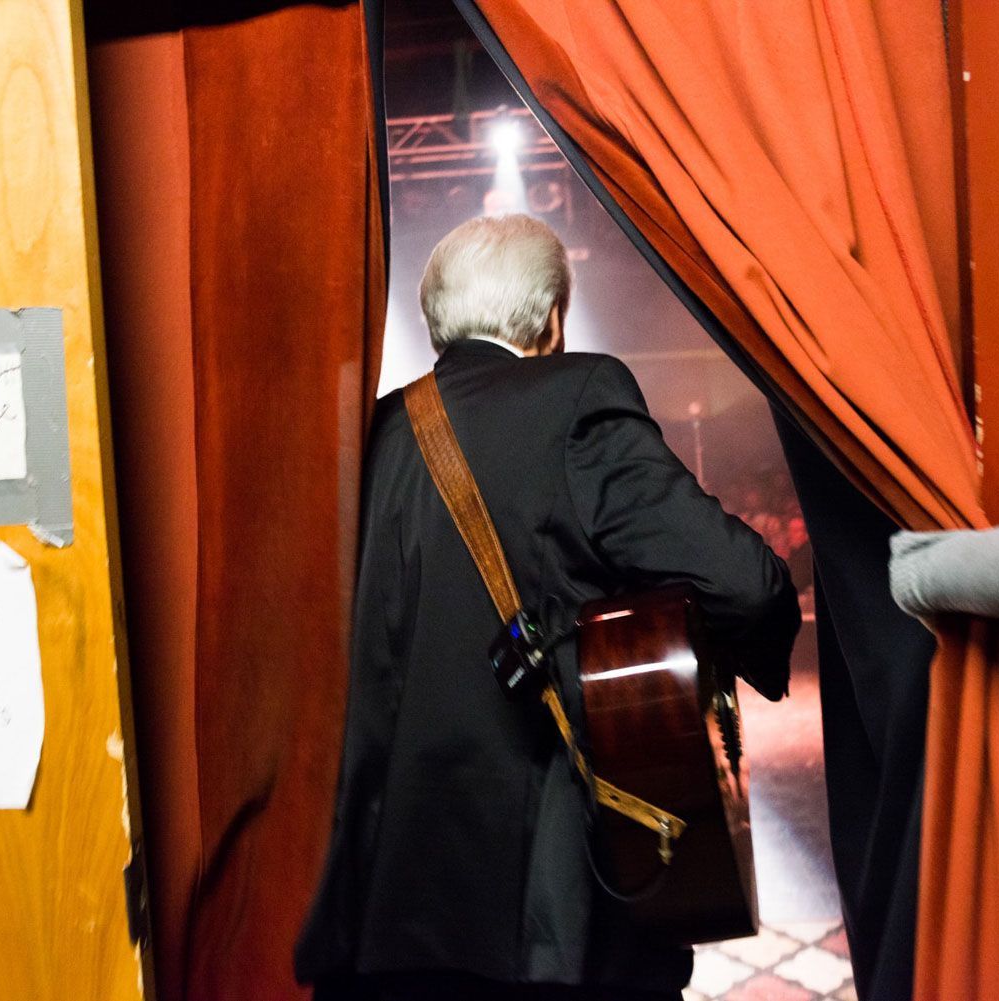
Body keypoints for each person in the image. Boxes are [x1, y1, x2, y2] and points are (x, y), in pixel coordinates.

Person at [295, 214, 801, 1000]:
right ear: (554, 317)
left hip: (379, 912)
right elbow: (741, 583)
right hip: (537, 913)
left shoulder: (375, 434)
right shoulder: (578, 398)